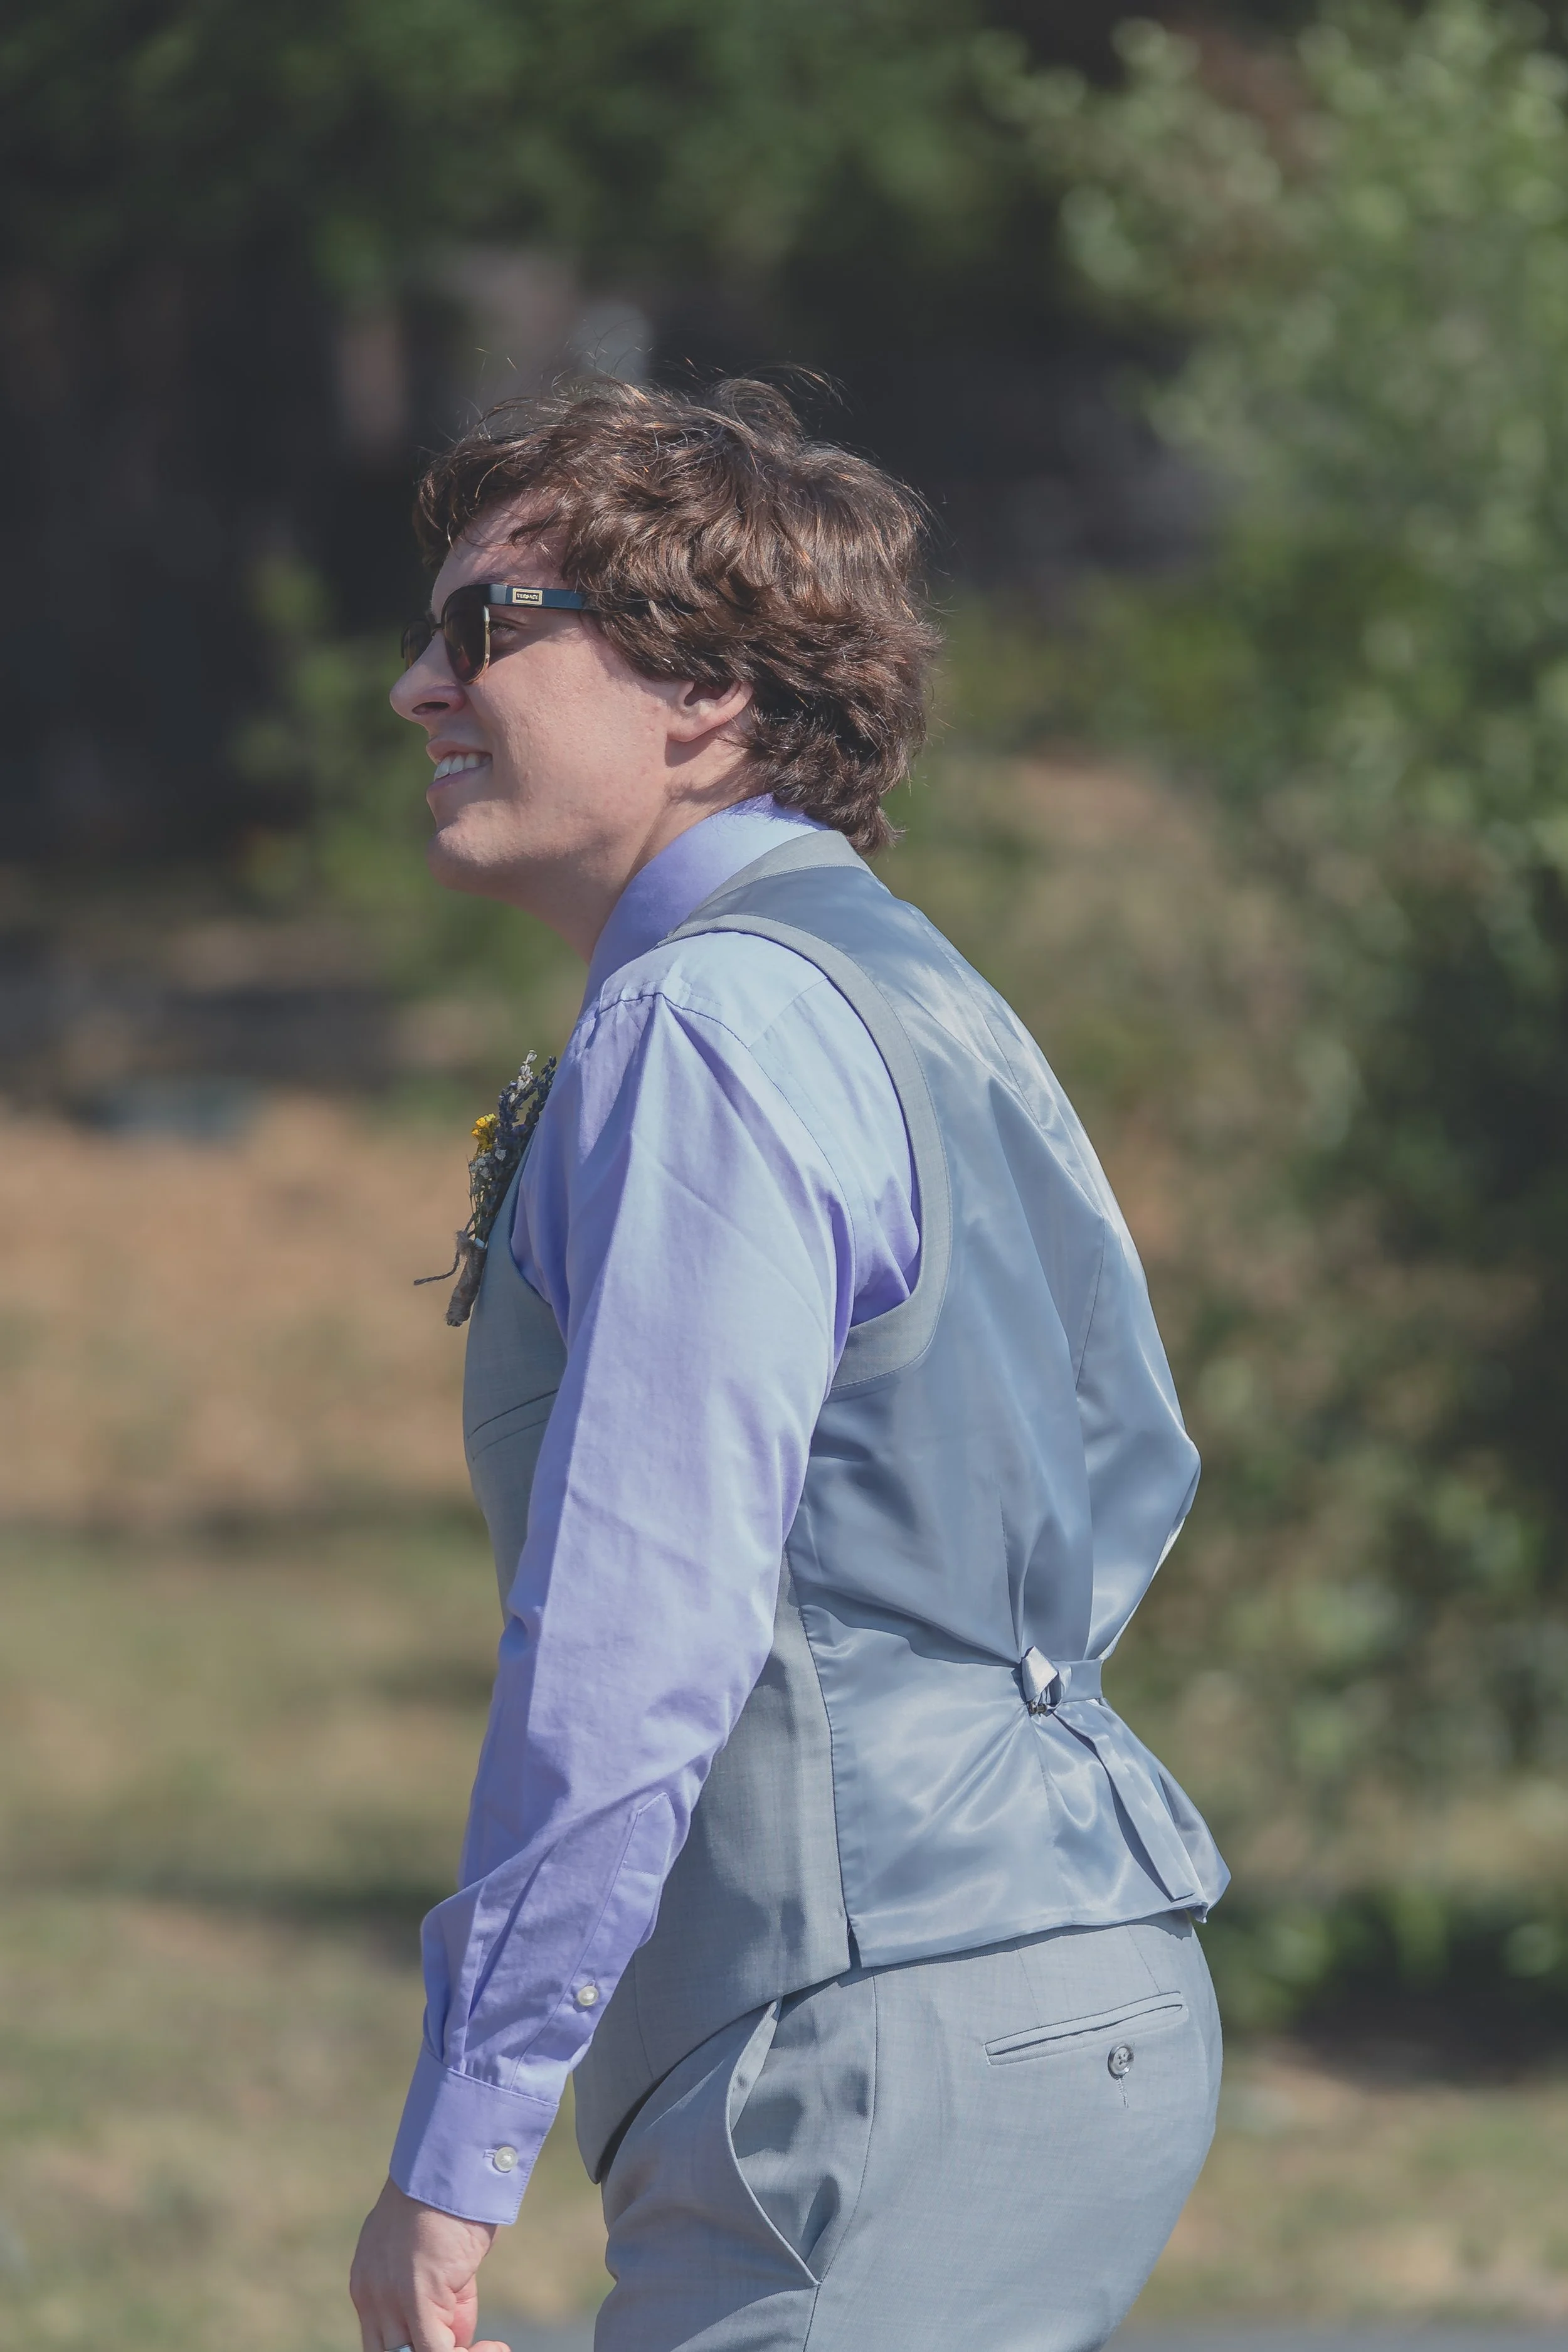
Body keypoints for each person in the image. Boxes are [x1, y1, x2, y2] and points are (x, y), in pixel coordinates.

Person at [349, 378, 1227, 2352]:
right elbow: (1128, 1457)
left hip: (865, 2036)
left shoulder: (709, 1023)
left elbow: (638, 1626)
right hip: (1054, 1970)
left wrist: (459, 2140)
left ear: (708, 689)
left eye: (488, 624)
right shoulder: (907, 980)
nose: (417, 686)